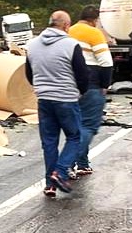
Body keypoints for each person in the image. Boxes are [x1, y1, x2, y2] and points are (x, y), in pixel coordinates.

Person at [25, 10, 89, 197]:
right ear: (66, 26)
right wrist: (81, 92)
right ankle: (60, 173)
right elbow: (82, 74)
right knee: (75, 137)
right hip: (67, 99)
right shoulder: (71, 45)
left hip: (44, 100)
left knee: (49, 142)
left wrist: (42, 88)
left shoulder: (32, 45)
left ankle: (49, 185)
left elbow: (29, 74)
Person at [67, 5, 113, 177]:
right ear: (95, 20)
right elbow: (106, 62)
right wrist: (105, 85)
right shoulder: (93, 33)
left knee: (76, 127)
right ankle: (67, 164)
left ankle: (83, 164)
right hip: (91, 84)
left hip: (70, 86)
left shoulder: (69, 32)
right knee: (88, 126)